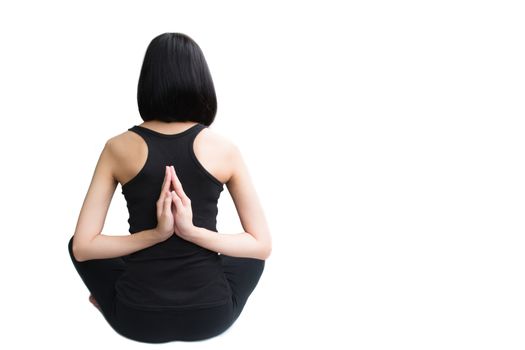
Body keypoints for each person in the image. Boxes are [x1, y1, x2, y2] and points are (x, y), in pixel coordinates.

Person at [67, 32, 272, 343]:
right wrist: (195, 234)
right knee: (248, 251)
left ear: (148, 82)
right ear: (201, 81)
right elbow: (262, 246)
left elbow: (83, 247)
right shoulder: (223, 148)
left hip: (136, 318)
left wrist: (154, 235)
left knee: (77, 246)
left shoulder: (118, 147)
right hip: (211, 316)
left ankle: (108, 301)